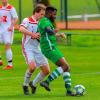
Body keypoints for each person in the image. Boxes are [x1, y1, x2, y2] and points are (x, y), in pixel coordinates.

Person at [38, 6, 77, 96]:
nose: (55, 16)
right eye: (54, 14)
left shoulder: (47, 21)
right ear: (50, 13)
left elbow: (48, 34)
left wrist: (58, 34)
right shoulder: (44, 21)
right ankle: (47, 82)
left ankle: (69, 91)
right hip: (49, 48)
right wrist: (54, 31)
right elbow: (48, 31)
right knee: (65, 65)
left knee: (67, 67)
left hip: (52, 47)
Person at [19, 6, 50, 95]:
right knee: (32, 67)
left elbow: (47, 33)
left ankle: (33, 84)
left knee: (46, 71)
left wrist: (58, 35)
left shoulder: (41, 23)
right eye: (41, 14)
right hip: (27, 48)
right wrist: (32, 34)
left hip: (37, 48)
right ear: (36, 12)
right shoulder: (27, 20)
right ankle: (25, 85)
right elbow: (21, 29)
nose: (42, 16)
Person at [0, 0, 18, 69]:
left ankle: (10, 64)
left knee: (7, 46)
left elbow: (16, 18)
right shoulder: (0, 8)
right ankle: (0, 60)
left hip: (8, 30)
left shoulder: (11, 8)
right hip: (1, 29)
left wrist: (11, 26)